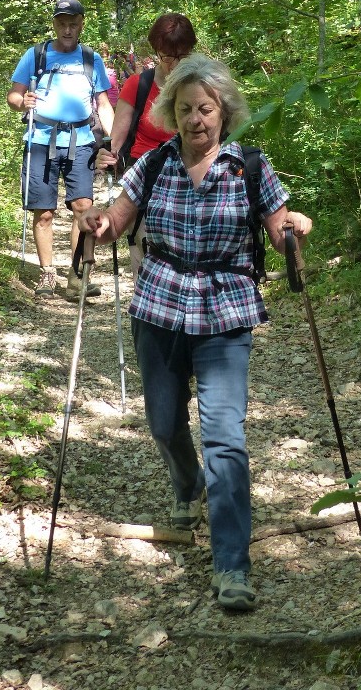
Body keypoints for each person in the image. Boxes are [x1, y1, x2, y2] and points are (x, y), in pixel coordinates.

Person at [80, 54, 313, 612]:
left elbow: (280, 233)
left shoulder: (249, 167)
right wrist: (101, 224)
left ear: (223, 111)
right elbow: (119, 218)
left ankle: (232, 565)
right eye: (185, 110)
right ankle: (189, 485)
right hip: (159, 304)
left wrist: (295, 232)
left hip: (227, 310)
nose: (195, 120)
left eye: (205, 109)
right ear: (172, 113)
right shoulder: (155, 164)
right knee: (162, 423)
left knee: (226, 438)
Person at [7, 0, 115, 299]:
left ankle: (78, 275)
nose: (67, 29)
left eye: (73, 23)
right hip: (40, 140)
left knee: (84, 208)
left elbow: (103, 105)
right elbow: (13, 96)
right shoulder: (36, 55)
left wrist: (115, 141)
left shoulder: (91, 59)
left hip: (81, 143)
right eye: (62, 23)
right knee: (43, 213)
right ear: (54, 24)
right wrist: (22, 102)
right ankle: (47, 273)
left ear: (81, 24)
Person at [96, 13, 197, 275]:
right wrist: (107, 155)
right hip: (145, 179)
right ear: (156, 53)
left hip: (192, 179)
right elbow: (116, 138)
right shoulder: (138, 85)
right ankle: (146, 309)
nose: (174, 65)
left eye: (182, 57)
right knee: (147, 252)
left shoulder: (203, 87)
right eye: (167, 57)